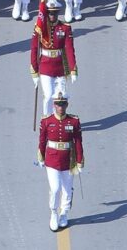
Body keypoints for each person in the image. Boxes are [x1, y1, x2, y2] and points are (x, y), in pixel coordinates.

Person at [37, 91, 84, 232]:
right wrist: (41, 156)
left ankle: (64, 213)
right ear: (54, 105)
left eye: (63, 104)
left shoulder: (74, 121)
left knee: (67, 189)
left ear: (67, 104)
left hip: (68, 160)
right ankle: (53, 212)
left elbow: (78, 142)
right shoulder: (46, 121)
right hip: (52, 159)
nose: (60, 107)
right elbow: (42, 140)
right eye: (58, 104)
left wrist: (80, 161)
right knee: (56, 188)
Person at [30, 0, 77, 116]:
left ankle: (56, 121)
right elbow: (34, 49)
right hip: (45, 66)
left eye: (55, 12)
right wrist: (34, 71)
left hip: (61, 66)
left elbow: (69, 49)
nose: (52, 15)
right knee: (49, 95)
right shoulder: (40, 28)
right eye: (50, 12)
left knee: (59, 97)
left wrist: (73, 69)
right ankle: (47, 121)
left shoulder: (65, 28)